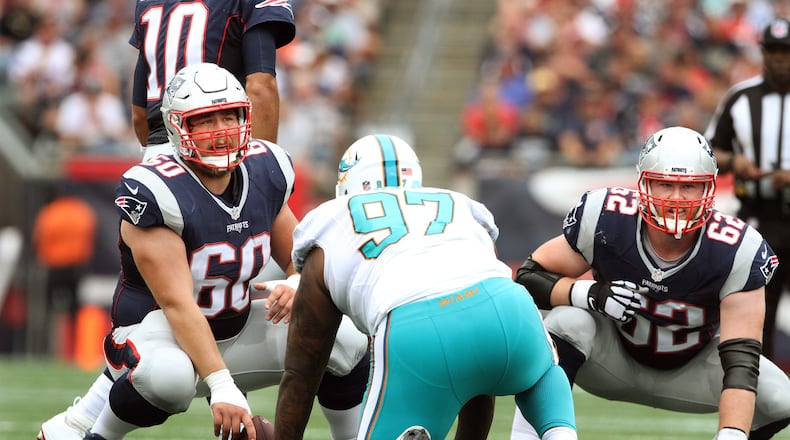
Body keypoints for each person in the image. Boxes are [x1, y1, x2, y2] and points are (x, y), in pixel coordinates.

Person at [38, 63, 370, 440]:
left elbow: (303, 255)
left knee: (345, 338)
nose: (223, 131)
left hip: (237, 326)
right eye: (207, 121)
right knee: (170, 379)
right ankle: (96, 434)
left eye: (230, 116)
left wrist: (298, 281)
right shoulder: (156, 190)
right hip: (158, 338)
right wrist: (222, 385)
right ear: (180, 127)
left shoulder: (265, 169)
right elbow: (178, 304)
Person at [275, 134, 578, 440]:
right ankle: (561, 432)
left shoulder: (331, 223)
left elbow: (303, 370)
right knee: (542, 372)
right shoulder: (459, 205)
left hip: (415, 328)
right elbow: (478, 367)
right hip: (509, 309)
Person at [508, 126, 790, 440]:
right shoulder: (607, 218)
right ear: (643, 184)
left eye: (689, 187)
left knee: (780, 398)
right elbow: (529, 277)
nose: (676, 199)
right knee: (567, 321)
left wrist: (732, 433)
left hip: (691, 371)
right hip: (610, 358)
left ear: (708, 189)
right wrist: (590, 294)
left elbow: (741, 359)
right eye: (664, 184)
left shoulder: (737, 249)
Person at [704, 17, 790, 363]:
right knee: (757, 307)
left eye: (787, 51)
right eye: (774, 51)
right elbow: (710, 151)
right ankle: (760, 387)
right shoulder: (740, 97)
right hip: (759, 216)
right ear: (763, 52)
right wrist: (736, 163)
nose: (781, 58)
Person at [129, 0, 295, 160]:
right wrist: (262, 166)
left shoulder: (146, 2)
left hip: (159, 155)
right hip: (217, 152)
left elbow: (139, 114)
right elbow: (260, 87)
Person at [32, 187, 97, 360]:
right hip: (76, 267)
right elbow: (89, 238)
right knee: (75, 311)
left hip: (54, 266)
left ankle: (46, 351)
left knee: (48, 309)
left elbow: (40, 239)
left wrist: (43, 258)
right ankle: (75, 351)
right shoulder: (82, 211)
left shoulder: (50, 212)